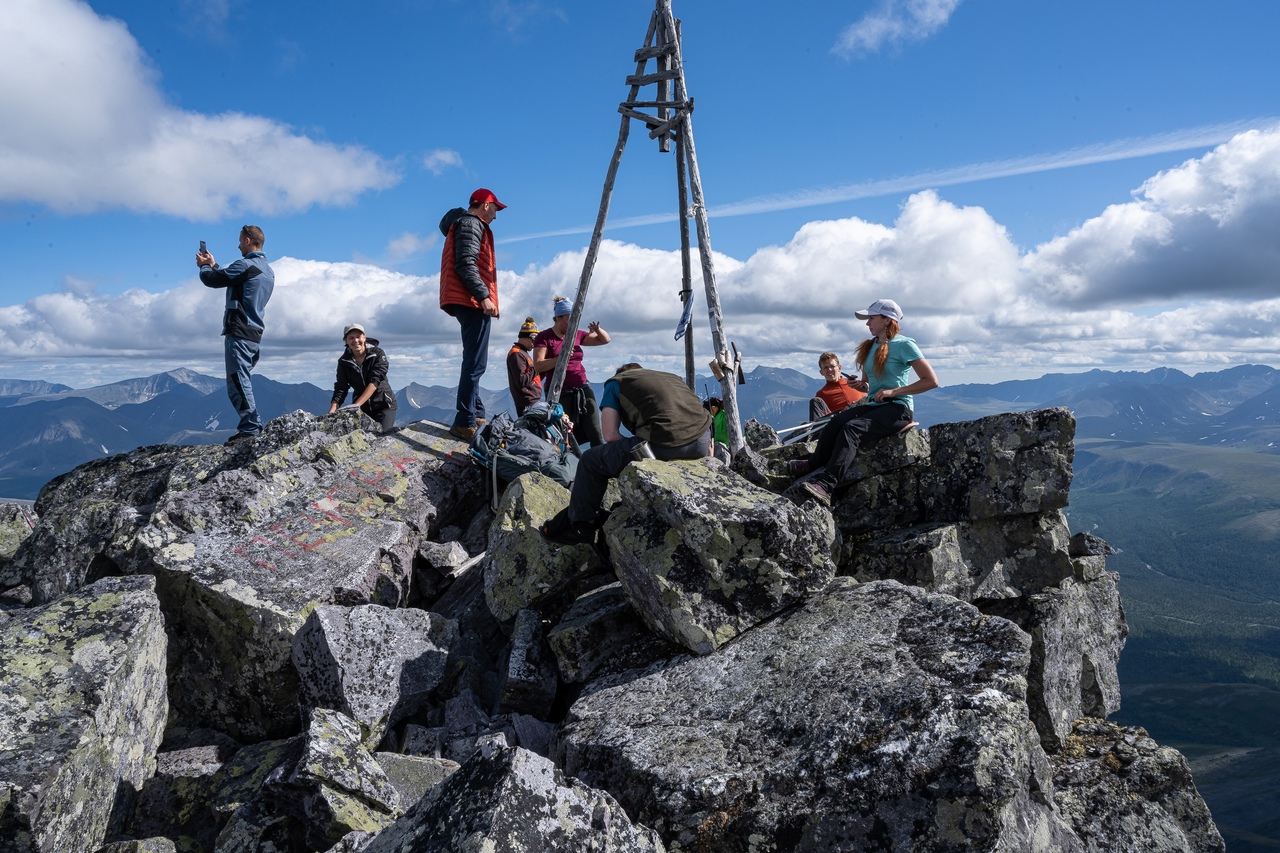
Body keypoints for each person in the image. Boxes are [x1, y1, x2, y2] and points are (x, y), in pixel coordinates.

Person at [541, 363, 712, 546]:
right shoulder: (671, 377)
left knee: (590, 460)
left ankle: (579, 527)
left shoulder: (616, 382)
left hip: (664, 443)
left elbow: (609, 435)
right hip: (702, 442)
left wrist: (631, 447)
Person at [791, 299, 938, 507]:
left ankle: (826, 485)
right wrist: (859, 385)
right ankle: (814, 464)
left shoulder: (905, 344)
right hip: (876, 405)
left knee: (852, 429)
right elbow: (869, 387)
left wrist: (894, 391)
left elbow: (931, 381)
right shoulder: (871, 347)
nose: (867, 323)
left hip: (898, 408)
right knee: (836, 422)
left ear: (887, 320)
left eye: (871, 318)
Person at [198, 225, 275, 444]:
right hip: (254, 332)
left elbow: (213, 280)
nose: (238, 245)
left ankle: (250, 428)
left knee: (238, 382)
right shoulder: (267, 270)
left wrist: (204, 267)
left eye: (240, 241)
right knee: (243, 379)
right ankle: (251, 426)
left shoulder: (246, 265)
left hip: (239, 330)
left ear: (248, 241)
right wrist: (213, 264)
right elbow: (230, 277)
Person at [439, 188, 505, 441]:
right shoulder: (471, 224)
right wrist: (484, 296)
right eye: (495, 209)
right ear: (486, 205)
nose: (496, 215)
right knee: (475, 363)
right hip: (470, 300)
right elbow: (466, 263)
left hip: (463, 298)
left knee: (473, 359)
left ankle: (475, 413)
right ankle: (464, 420)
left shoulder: (463, 224)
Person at [532, 295, 610, 447]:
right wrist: (562, 357)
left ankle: (600, 460)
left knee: (594, 430)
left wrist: (598, 330)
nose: (573, 323)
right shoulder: (544, 337)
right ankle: (572, 460)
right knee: (564, 434)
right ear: (558, 318)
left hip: (582, 387)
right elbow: (539, 365)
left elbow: (605, 340)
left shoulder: (576, 334)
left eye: (575, 319)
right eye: (569, 319)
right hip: (559, 392)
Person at [327, 324, 398, 433]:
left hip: (384, 405)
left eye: (358, 336)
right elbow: (341, 388)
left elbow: (375, 381)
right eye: (351, 338)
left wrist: (356, 405)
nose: (355, 340)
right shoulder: (343, 362)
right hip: (362, 409)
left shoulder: (377, 354)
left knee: (383, 436)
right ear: (346, 341)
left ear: (364, 337)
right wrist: (330, 414)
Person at [809, 352, 867, 421]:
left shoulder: (855, 385)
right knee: (815, 401)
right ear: (821, 372)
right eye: (825, 367)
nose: (829, 369)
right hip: (840, 422)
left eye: (832, 366)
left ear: (839, 368)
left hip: (862, 419)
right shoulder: (821, 394)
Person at [507, 317, 542, 417]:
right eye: (533, 340)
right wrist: (536, 367)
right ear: (524, 338)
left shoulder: (522, 353)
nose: (534, 344)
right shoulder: (517, 354)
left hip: (531, 401)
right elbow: (521, 381)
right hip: (527, 402)